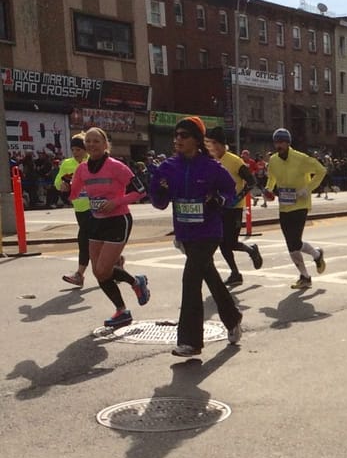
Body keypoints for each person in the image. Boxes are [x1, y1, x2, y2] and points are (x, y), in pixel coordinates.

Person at [150, 116, 243, 356]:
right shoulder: (168, 167)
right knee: (209, 275)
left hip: (209, 232)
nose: (178, 139)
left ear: (197, 140)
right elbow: (159, 203)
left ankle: (190, 341)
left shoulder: (212, 167)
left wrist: (217, 199)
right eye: (176, 135)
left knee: (190, 278)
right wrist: (158, 189)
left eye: (184, 135)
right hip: (186, 233)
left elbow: (231, 193)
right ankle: (232, 318)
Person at [68, 127, 150, 329]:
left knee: (103, 268)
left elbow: (141, 190)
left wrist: (117, 202)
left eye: (96, 141)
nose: (91, 145)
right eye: (88, 141)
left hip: (118, 220)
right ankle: (122, 310)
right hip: (96, 221)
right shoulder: (82, 169)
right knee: (99, 272)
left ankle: (135, 283)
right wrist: (65, 187)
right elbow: (73, 194)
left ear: (106, 145)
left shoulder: (117, 167)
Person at [264, 128, 327, 290]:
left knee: (295, 241)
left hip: (300, 204)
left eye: (282, 142)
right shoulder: (274, 160)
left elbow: (321, 171)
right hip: (284, 206)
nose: (279, 145)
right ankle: (305, 275)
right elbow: (272, 178)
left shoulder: (301, 159)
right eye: (276, 142)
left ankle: (315, 256)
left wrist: (308, 188)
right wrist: (268, 189)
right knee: (291, 245)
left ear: (288, 143)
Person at [204, 127, 263, 287]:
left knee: (230, 242)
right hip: (219, 208)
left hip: (234, 208)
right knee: (222, 244)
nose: (212, 147)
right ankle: (235, 273)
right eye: (209, 143)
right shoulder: (211, 161)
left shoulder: (235, 161)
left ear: (223, 144)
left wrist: (238, 198)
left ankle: (251, 250)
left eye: (214, 143)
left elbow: (252, 181)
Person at [55, 133, 92, 287]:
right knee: (96, 241)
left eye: (79, 149)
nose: (76, 152)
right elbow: (57, 181)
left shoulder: (93, 161)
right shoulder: (67, 164)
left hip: (95, 207)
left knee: (83, 239)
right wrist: (61, 185)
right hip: (79, 207)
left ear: (85, 150)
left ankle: (79, 274)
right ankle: (117, 261)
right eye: (73, 149)